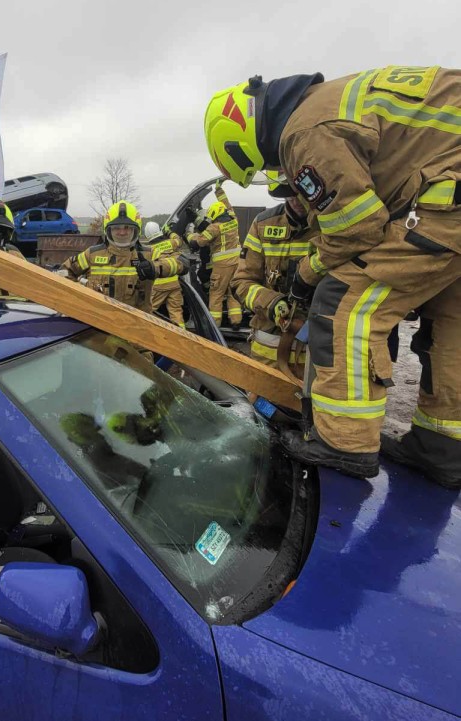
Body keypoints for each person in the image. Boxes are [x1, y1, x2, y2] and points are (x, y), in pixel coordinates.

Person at [203, 66, 461, 486]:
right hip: (449, 196)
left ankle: (345, 444)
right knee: (450, 318)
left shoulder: (303, 131)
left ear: (245, 144)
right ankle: (443, 447)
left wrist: (307, 274)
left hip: (447, 203)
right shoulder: (331, 103)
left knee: (344, 304)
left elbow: (358, 228)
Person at [233, 179, 314, 370]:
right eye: (289, 194)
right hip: (267, 350)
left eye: (301, 193)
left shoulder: (333, 224)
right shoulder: (263, 224)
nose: (295, 200)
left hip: (318, 355)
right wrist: (272, 303)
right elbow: (241, 282)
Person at [62, 200, 185, 312]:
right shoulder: (92, 254)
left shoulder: (148, 254)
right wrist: (80, 297)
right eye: (116, 228)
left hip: (137, 324)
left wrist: (155, 267)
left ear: (136, 230)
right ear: (108, 230)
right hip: (98, 324)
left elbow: (182, 263)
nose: (122, 232)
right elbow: (63, 272)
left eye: (127, 227)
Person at [186, 184, 242, 328]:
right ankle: (236, 321)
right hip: (237, 263)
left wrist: (189, 235)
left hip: (222, 267)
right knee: (232, 292)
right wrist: (219, 190)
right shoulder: (234, 220)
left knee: (216, 293)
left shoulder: (214, 227)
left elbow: (199, 242)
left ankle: (214, 325)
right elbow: (227, 204)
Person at [144, 221, 186, 328]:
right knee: (176, 311)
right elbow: (179, 240)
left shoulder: (149, 250)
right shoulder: (171, 243)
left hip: (159, 285)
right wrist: (169, 232)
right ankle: (182, 333)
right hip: (174, 283)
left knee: (148, 311)